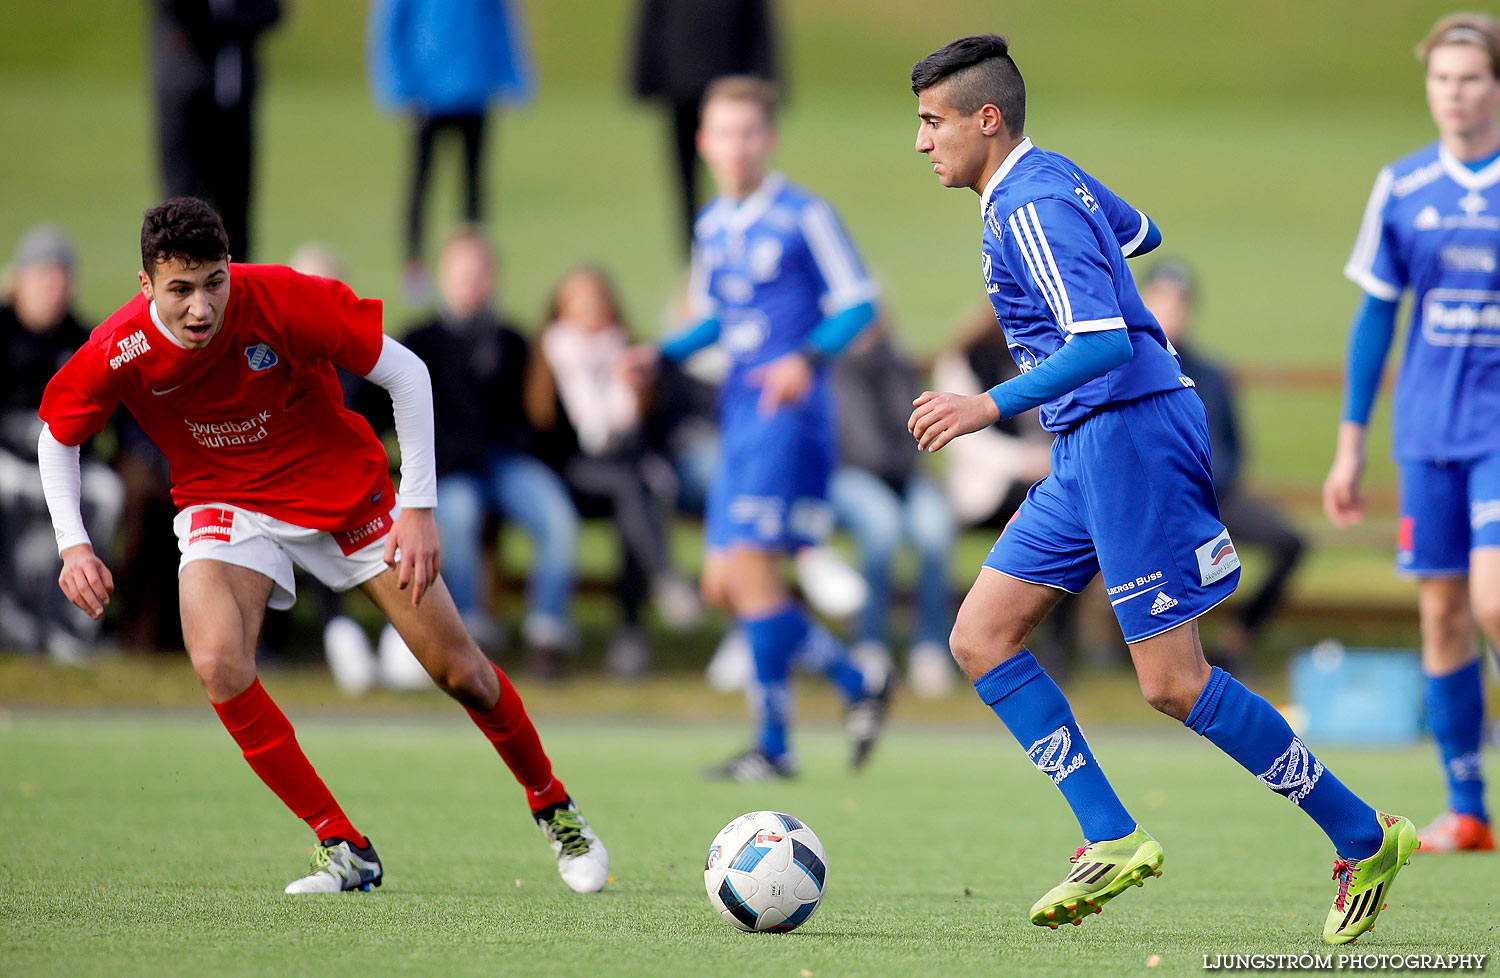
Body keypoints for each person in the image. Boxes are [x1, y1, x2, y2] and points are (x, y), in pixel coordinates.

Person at [907, 35, 1414, 945]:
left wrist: (986, 403)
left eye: (932, 122)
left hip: (1130, 433)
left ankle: (1363, 833)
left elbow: (1102, 340)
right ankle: (1110, 833)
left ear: (986, 119)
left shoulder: (1027, 201)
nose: (921, 142)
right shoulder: (1042, 181)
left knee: (1173, 683)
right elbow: (1140, 234)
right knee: (980, 635)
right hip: (1087, 443)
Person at [36, 197, 607, 894]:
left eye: (214, 282)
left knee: (462, 672)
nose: (200, 306)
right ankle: (343, 844)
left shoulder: (278, 299)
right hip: (226, 503)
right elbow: (58, 436)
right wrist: (74, 546)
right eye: (179, 288)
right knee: (217, 661)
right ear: (145, 284)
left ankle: (554, 805)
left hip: (343, 497)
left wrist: (419, 506)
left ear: (230, 270)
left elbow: (408, 373)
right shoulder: (119, 347)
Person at [623, 75, 890, 781]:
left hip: (790, 417)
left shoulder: (805, 215)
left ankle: (775, 744)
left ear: (766, 140)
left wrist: (806, 357)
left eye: (749, 133)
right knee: (722, 584)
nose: (736, 147)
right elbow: (718, 317)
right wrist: (662, 353)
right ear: (703, 141)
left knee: (749, 575)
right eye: (723, 133)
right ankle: (854, 681)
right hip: (739, 414)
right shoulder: (712, 224)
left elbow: (860, 304)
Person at [1326, 12, 1500, 855]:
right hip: (1427, 429)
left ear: (1494, 85)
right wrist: (1351, 442)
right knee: (1442, 615)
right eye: (1442, 80)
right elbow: (1375, 319)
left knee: (1494, 599)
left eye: (1470, 78)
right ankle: (1468, 809)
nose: (1455, 95)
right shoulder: (1402, 187)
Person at [368, 226, 581, 679]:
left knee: (557, 515)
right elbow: (379, 411)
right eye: (463, 272)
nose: (473, 281)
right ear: (444, 275)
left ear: (494, 277)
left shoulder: (512, 340)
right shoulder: (419, 340)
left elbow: (544, 417)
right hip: (448, 470)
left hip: (506, 463)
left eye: (482, 272)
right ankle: (467, 633)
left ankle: (547, 633)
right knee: (457, 517)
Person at [531, 266, 701, 676]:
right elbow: (541, 428)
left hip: (628, 473)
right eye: (579, 303)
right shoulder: (550, 355)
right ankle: (664, 582)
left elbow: (660, 424)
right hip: (568, 472)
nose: (590, 311)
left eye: (597, 301)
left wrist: (637, 390)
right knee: (630, 490)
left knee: (634, 500)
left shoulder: (634, 354)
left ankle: (631, 630)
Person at [1141, 260, 1306, 668]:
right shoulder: (1127, 368)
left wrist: (1211, 489)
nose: (1170, 313)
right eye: (1161, 302)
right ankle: (1091, 645)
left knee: (1290, 542)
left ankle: (1237, 638)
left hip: (1214, 499)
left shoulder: (1212, 375)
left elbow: (1232, 448)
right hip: (1151, 504)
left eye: (1178, 304)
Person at [0, 226, 123, 662]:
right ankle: (10, 613)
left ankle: (75, 625)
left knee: (109, 493)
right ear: (21, 279)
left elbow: (110, 419)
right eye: (43, 277)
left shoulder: (82, 339)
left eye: (60, 279)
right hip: (8, 461)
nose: (52, 289)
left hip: (68, 462)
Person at [368, 0, 534, 305]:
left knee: (473, 186)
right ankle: (414, 267)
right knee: (421, 183)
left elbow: (499, 22)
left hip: (474, 88)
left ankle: (474, 270)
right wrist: (397, 87)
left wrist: (513, 77)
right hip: (426, 93)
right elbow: (391, 25)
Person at [830, 321, 958, 698]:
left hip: (905, 476)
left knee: (935, 530)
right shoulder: (832, 368)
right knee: (881, 528)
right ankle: (870, 645)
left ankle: (930, 647)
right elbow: (856, 444)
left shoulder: (899, 367)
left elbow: (917, 430)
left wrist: (908, 469)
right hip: (848, 475)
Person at [629, 0, 778, 255]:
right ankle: (695, 252)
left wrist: (767, 81)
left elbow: (758, 29)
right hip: (682, 86)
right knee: (685, 179)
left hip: (733, 91)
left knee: (742, 168)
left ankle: (751, 242)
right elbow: (652, 22)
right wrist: (645, 78)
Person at [150, 0, 281, 260]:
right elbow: (182, 15)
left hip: (235, 104)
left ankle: (236, 292)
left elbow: (270, 12)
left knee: (235, 213)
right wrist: (226, 21)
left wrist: (232, 20)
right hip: (185, 99)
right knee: (180, 212)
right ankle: (181, 290)